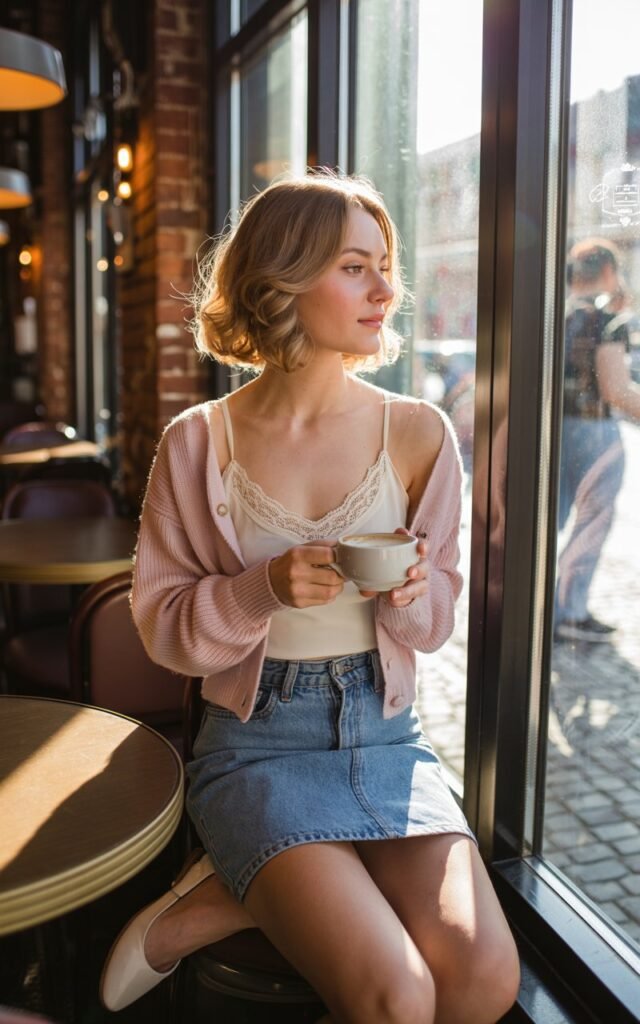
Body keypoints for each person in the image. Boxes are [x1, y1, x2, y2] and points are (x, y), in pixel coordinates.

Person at [100, 173, 520, 1023]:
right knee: (395, 995)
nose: (386, 290)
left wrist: (408, 592)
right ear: (284, 277)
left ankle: (247, 889)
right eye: (357, 268)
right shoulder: (197, 442)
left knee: (483, 984)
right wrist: (261, 590)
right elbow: (163, 630)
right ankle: (254, 880)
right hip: (257, 745)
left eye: (386, 267)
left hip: (386, 734)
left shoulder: (418, 433)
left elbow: (435, 622)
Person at [555, 237, 640, 643]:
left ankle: (543, 607)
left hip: (554, 429)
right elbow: (616, 390)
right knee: (592, 521)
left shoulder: (556, 310)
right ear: (608, 272)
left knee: (552, 519)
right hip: (594, 431)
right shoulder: (606, 320)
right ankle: (570, 610)